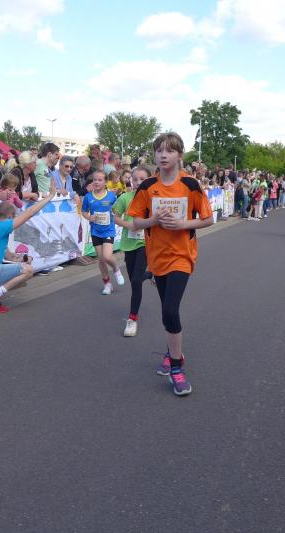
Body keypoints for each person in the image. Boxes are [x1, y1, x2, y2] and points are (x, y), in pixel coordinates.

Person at [127, 132, 213, 396]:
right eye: (159, 150)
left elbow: (208, 219)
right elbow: (135, 222)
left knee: (170, 310)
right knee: (167, 311)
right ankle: (173, 351)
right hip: (157, 256)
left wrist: (183, 224)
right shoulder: (147, 187)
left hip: (182, 255)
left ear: (179, 155)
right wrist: (153, 220)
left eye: (170, 150)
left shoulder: (190, 184)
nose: (163, 155)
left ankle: (176, 367)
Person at [0, 180, 58, 313]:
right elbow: (30, 212)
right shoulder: (2, 227)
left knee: (22, 273)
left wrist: (24, 258)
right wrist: (50, 196)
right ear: (11, 216)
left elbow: (11, 257)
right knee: (28, 271)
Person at [113, 165, 153, 337]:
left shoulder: (153, 199)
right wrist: (129, 225)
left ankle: (132, 319)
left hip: (145, 243)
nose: (138, 182)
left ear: (149, 180)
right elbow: (115, 217)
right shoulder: (125, 197)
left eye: (142, 179)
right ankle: (150, 274)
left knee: (136, 281)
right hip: (128, 243)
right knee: (134, 280)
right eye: (135, 179)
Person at [81, 169, 124, 295]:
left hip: (108, 230)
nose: (97, 182)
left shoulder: (111, 196)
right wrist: (89, 217)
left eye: (100, 180)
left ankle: (116, 269)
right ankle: (107, 284)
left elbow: (117, 210)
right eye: (95, 180)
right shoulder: (88, 197)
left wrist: (115, 212)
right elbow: (84, 211)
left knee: (107, 256)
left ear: (105, 182)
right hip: (95, 231)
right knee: (101, 259)